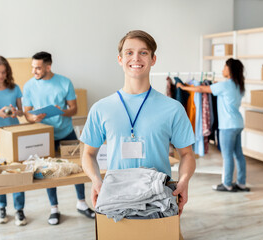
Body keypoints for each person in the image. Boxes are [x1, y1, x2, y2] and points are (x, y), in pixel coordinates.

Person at [80, 30, 196, 216]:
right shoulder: (101, 108)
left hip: (159, 200)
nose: (136, 58)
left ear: (153, 59)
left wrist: (184, 181)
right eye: (129, 52)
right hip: (116, 201)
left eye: (143, 52)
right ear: (120, 59)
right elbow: (88, 153)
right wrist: (96, 180)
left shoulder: (173, 108)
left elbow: (187, 154)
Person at [23, 51, 95, 225]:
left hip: (66, 133)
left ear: (48, 67)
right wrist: (33, 118)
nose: (34, 71)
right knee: (48, 172)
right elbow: (27, 113)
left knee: (77, 168)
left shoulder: (64, 82)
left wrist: (60, 111)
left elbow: (74, 109)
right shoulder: (29, 86)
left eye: (38, 68)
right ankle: (54, 208)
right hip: (44, 136)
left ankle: (81, 203)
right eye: (33, 67)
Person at [177, 58, 250, 192]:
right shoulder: (239, 85)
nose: (223, 69)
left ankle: (227, 184)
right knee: (238, 154)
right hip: (238, 123)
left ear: (230, 69)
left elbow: (200, 88)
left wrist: (182, 87)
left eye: (224, 67)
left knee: (227, 155)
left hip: (227, 126)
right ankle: (241, 183)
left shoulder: (225, 85)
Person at [0, 55, 27, 226]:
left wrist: (16, 112)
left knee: (17, 172)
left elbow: (22, 112)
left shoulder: (14, 88)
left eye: (3, 72)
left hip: (14, 134)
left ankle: (19, 209)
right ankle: (1, 207)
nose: (1, 76)